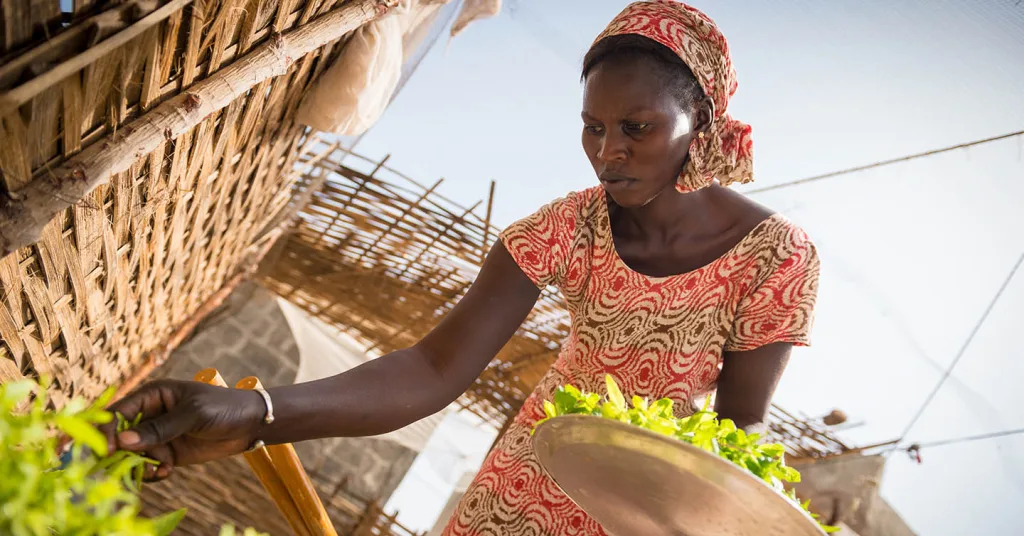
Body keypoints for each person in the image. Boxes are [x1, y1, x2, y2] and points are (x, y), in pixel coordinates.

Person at [103, 1, 820, 534]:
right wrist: (257, 414)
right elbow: (431, 370)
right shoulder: (566, 227)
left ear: (700, 118)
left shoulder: (775, 257)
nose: (608, 152)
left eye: (637, 128)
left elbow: (734, 438)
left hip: (649, 517)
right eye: (593, 127)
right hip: (518, 491)